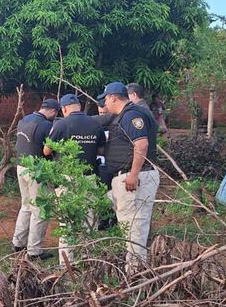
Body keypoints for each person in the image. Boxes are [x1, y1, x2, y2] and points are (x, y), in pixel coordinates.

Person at [100, 81, 160, 275]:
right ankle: (134, 271)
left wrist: (133, 175)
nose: (104, 103)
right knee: (130, 228)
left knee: (135, 229)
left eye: (106, 98)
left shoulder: (132, 115)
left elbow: (141, 145)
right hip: (128, 177)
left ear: (113, 98)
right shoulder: (123, 115)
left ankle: (135, 277)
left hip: (135, 178)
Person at [43, 94, 106, 262]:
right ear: (79, 106)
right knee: (89, 220)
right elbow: (102, 151)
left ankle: (67, 263)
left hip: (66, 179)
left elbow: (46, 151)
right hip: (89, 178)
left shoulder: (61, 124)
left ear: (64, 109)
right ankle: (87, 259)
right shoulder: (96, 123)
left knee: (67, 223)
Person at [11, 98, 60, 261]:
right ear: (53, 111)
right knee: (40, 209)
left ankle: (18, 243)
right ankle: (34, 251)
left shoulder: (25, 120)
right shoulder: (46, 125)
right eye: (56, 113)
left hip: (21, 167)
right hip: (36, 170)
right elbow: (48, 150)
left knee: (26, 206)